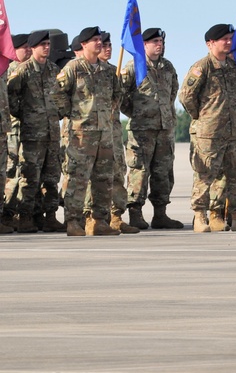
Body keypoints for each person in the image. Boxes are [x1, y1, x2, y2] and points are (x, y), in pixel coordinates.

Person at [179, 23, 236, 233]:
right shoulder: (203, 67)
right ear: (210, 44)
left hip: (235, 132)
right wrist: (202, 117)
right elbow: (186, 96)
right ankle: (200, 216)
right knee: (205, 174)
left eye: (230, 39)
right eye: (224, 39)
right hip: (210, 133)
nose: (229, 43)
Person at [53, 26, 122, 236]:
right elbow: (57, 93)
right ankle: (73, 221)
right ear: (84, 45)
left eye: (100, 39)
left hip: (104, 134)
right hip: (81, 135)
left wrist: (107, 117)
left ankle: (99, 220)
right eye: (94, 40)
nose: (99, 43)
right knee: (78, 178)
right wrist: (73, 114)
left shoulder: (108, 71)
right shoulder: (74, 68)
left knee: (103, 179)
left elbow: (117, 94)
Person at [120, 27, 184, 230]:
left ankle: (160, 214)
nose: (159, 45)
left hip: (164, 129)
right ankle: (135, 212)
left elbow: (173, 92)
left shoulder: (168, 67)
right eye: (155, 42)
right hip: (141, 130)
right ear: (144, 45)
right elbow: (121, 96)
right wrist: (138, 114)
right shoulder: (134, 67)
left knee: (163, 173)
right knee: (139, 171)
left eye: (161, 42)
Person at [7, 30, 64, 233]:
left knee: (51, 178)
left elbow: (61, 96)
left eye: (48, 44)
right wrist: (26, 115)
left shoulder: (54, 70)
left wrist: (59, 112)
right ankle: (24, 217)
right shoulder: (23, 71)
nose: (47, 48)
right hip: (32, 135)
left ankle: (49, 217)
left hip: (52, 134)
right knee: (30, 178)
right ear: (32, 48)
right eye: (42, 45)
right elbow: (11, 97)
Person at [97, 31, 140, 233]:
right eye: (103, 45)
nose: (108, 48)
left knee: (118, 174)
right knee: (96, 177)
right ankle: (93, 217)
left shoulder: (113, 73)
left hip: (113, 132)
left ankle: (116, 217)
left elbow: (121, 102)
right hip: (93, 134)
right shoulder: (83, 70)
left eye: (110, 45)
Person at [2, 33, 31, 230]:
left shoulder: (26, 70)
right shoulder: (9, 69)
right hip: (12, 129)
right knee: (11, 171)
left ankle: (13, 214)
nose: (28, 51)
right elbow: (12, 102)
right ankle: (6, 214)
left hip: (21, 128)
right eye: (24, 48)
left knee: (24, 171)